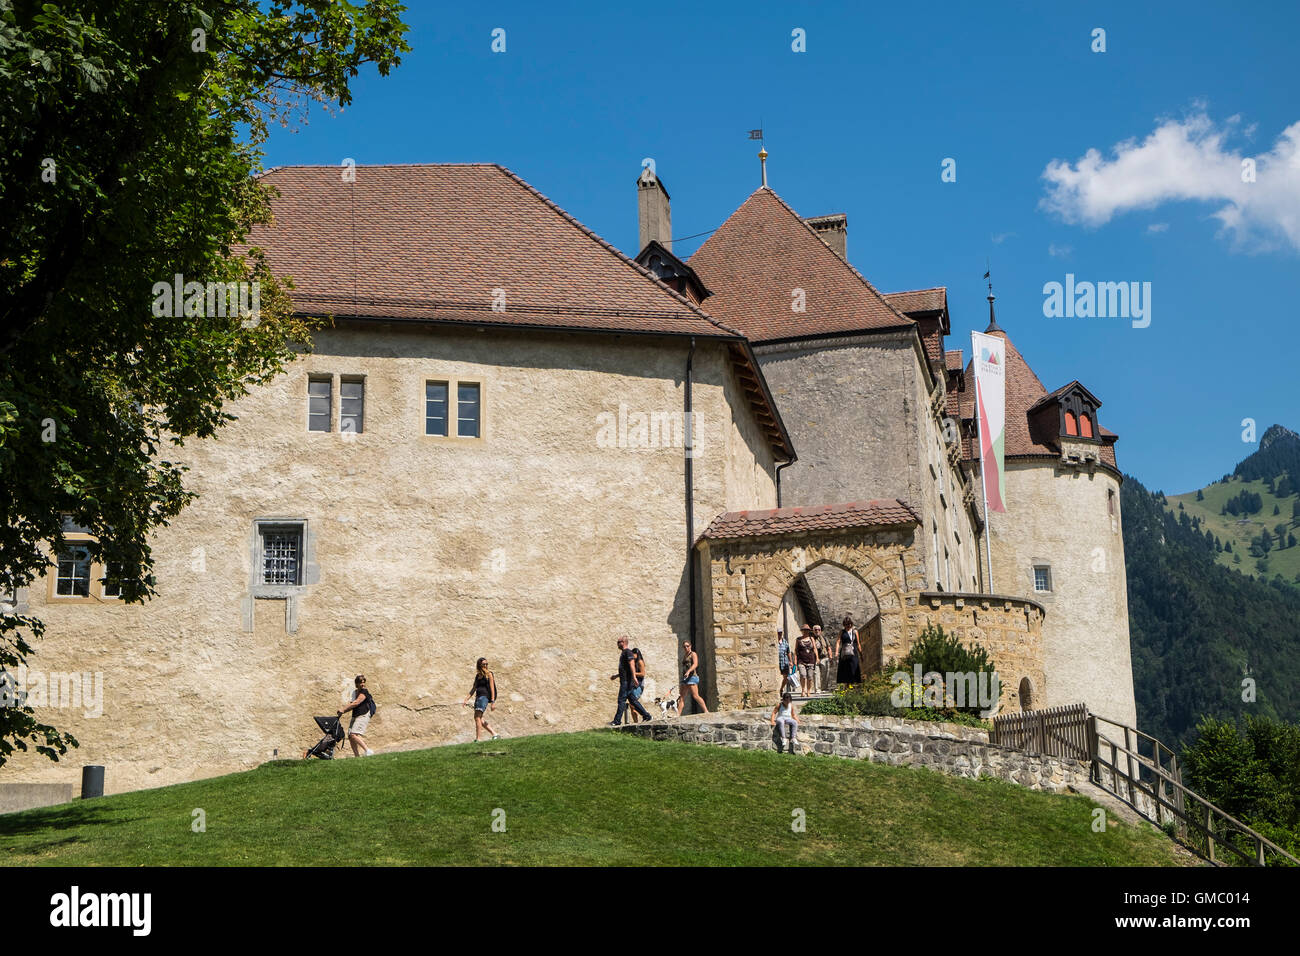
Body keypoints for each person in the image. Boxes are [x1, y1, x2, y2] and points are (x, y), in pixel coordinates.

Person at [609, 637, 652, 725]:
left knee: (621, 700)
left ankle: (617, 721)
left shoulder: (627, 652)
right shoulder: (624, 653)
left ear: (624, 642)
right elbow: (625, 669)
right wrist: (616, 676)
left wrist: (634, 677)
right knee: (633, 701)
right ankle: (647, 716)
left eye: (619, 642)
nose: (617, 643)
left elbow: (632, 664)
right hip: (625, 681)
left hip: (626, 682)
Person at [462, 657, 501, 741]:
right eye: (484, 664)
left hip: (484, 697)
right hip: (478, 698)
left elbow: (492, 689)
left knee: (477, 717)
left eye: (487, 664)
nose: (486, 666)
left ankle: (478, 739)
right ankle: (495, 734)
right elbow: (473, 689)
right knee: (480, 719)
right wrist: (466, 699)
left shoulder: (489, 674)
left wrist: (493, 702)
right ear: (479, 665)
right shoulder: (477, 676)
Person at [338, 674, 375, 756]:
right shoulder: (355, 692)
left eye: (364, 682)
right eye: (361, 682)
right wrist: (342, 711)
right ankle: (357, 756)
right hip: (355, 715)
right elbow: (352, 705)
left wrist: (343, 709)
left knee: (353, 734)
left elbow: (356, 702)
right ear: (356, 684)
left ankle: (368, 751)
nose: (363, 684)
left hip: (363, 714)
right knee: (351, 737)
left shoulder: (364, 692)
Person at [679, 640, 709, 716]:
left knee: (695, 696)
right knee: (681, 697)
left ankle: (706, 711)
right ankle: (677, 715)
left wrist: (689, 671)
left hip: (692, 677)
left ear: (690, 646)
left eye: (687, 646)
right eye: (684, 646)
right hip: (685, 678)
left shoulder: (693, 654)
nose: (686, 647)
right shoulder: (685, 655)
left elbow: (695, 664)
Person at [835, 616, 862, 686]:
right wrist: (836, 652)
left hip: (854, 653)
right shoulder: (842, 632)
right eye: (847, 624)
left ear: (851, 624)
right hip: (844, 652)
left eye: (849, 624)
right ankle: (846, 686)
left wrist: (861, 654)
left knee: (854, 668)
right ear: (844, 624)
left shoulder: (855, 632)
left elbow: (858, 643)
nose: (848, 625)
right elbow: (838, 641)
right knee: (845, 669)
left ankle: (852, 686)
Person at [795, 624, 820, 696]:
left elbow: (815, 649)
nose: (805, 632)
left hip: (811, 660)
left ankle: (808, 691)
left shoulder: (811, 639)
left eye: (807, 630)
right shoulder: (798, 640)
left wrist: (817, 658)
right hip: (801, 660)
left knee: (810, 676)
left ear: (809, 631)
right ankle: (803, 690)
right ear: (802, 631)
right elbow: (796, 650)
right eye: (804, 630)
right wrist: (795, 661)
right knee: (803, 675)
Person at [627, 645, 648, 723]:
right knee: (632, 705)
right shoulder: (633, 663)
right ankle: (636, 722)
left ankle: (645, 715)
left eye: (633, 654)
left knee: (633, 704)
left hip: (639, 686)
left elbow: (642, 674)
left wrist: (633, 673)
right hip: (633, 685)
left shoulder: (640, 662)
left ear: (637, 654)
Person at [812, 624, 833, 692]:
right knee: (816, 673)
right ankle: (817, 689)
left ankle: (824, 688)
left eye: (819, 630)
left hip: (824, 658)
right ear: (813, 631)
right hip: (815, 658)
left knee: (825, 674)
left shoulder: (824, 638)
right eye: (815, 630)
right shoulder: (811, 639)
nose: (817, 631)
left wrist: (830, 657)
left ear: (821, 631)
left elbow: (829, 648)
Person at [776, 628, 794, 696]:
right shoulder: (774, 642)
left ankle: (781, 688)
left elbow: (788, 652)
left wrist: (790, 661)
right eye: (778, 633)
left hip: (784, 661)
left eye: (781, 633)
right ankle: (777, 690)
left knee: (786, 677)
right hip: (777, 662)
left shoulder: (785, 642)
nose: (780, 634)